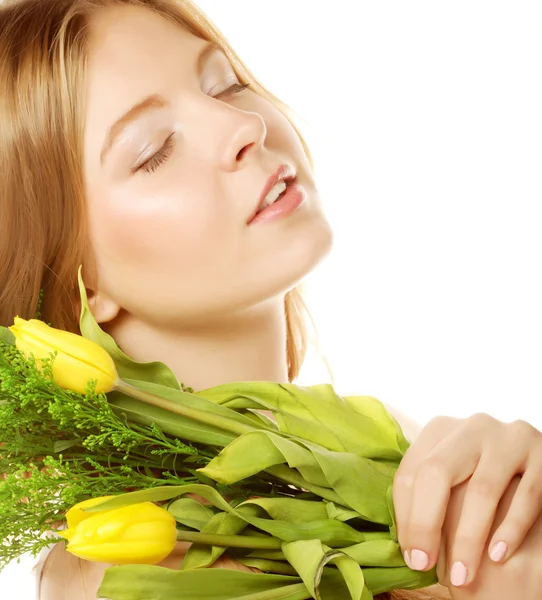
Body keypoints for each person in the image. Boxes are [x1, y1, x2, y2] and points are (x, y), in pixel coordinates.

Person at [1, 0, 541, 598]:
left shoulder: (403, 449)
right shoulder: (132, 572)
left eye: (224, 84)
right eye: (154, 150)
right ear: (78, 283)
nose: (245, 127)